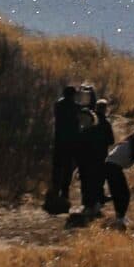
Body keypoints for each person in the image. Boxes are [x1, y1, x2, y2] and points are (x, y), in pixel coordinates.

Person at [48, 84, 83, 213]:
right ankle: (64, 193)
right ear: (73, 95)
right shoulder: (76, 107)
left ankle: (54, 191)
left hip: (59, 141)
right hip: (71, 142)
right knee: (68, 168)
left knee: (57, 166)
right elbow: (83, 114)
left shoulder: (58, 105)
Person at [76, 94, 113, 214]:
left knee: (86, 179)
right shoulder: (105, 123)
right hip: (100, 155)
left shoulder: (87, 120)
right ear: (105, 108)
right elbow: (111, 140)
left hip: (85, 156)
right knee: (98, 179)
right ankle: (97, 202)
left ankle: (87, 203)